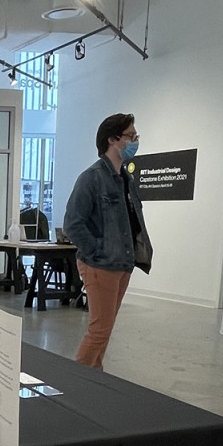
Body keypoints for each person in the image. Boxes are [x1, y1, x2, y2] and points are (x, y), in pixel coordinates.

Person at [63, 113, 152, 369]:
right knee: (99, 330)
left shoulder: (126, 179)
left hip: (122, 263)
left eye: (136, 136)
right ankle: (77, 384)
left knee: (106, 329)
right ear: (112, 140)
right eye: (130, 136)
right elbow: (73, 222)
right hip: (102, 264)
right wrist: (97, 251)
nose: (135, 141)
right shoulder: (91, 178)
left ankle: (94, 380)